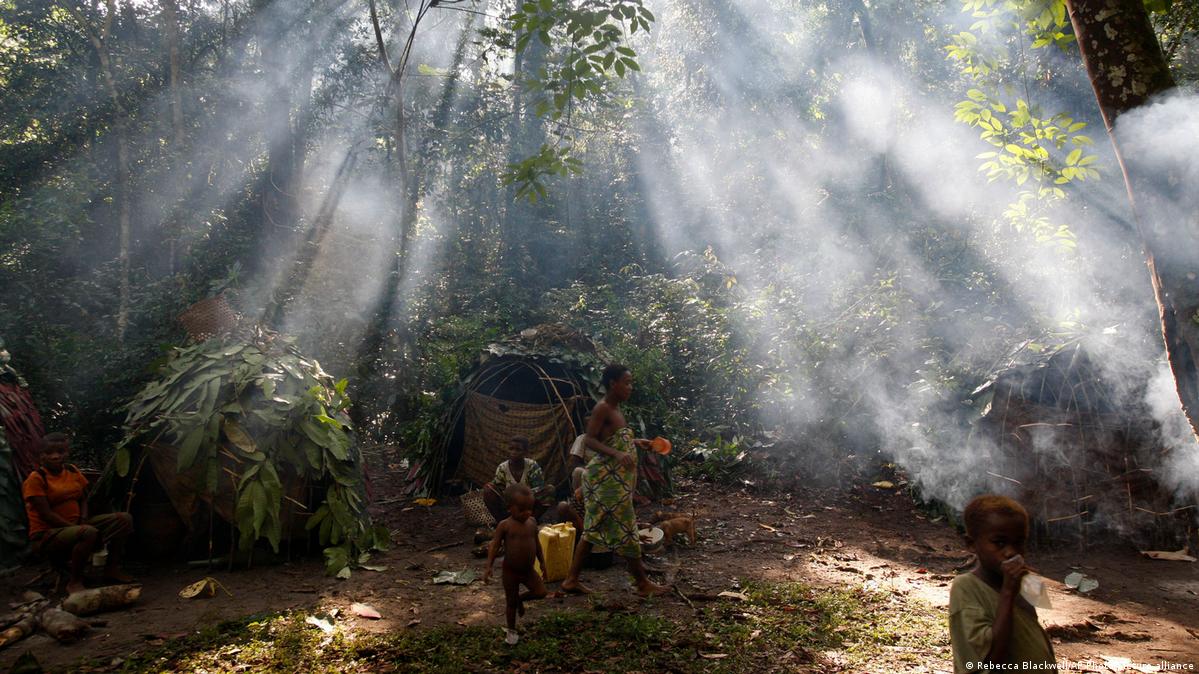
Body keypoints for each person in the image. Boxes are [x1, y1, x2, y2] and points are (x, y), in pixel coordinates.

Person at [560, 364, 668, 597]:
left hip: (616, 483)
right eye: (627, 382)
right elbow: (589, 440)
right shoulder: (603, 408)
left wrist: (637, 442)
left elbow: (612, 439)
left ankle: (571, 580)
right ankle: (641, 583)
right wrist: (618, 454)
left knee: (592, 530)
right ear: (612, 383)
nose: (631, 387)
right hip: (605, 482)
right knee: (626, 528)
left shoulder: (617, 410)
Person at [949, 494, 1055, 673]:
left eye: (1019, 543)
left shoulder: (1023, 583)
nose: (1011, 552)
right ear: (971, 544)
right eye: (999, 543)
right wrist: (1007, 592)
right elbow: (990, 660)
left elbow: (1030, 635)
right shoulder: (965, 587)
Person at [22, 433, 134, 594]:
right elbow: (46, 514)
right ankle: (74, 581)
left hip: (77, 526)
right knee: (88, 532)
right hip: (48, 534)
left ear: (67, 453)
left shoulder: (72, 471)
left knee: (124, 519)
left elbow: (83, 499)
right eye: (49, 453)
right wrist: (79, 528)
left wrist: (83, 518)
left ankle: (112, 569)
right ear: (41, 456)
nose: (55, 456)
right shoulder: (36, 479)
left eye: (60, 452)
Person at [482, 483, 547, 645]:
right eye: (522, 509)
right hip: (510, 571)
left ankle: (520, 600)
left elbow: (537, 544)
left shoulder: (532, 523)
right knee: (510, 604)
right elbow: (495, 545)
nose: (528, 513)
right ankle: (511, 631)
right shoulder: (505, 525)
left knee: (541, 592)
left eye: (530, 508)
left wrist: (543, 562)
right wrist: (488, 566)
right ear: (509, 508)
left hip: (528, 570)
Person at [482, 436, 553, 523]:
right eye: (511, 449)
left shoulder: (532, 466)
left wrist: (522, 496)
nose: (513, 452)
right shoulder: (502, 468)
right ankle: (502, 522)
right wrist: (512, 498)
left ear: (525, 452)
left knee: (550, 489)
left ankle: (531, 520)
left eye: (518, 450)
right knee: (488, 489)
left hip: (528, 503)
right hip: (509, 504)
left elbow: (539, 487)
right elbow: (498, 489)